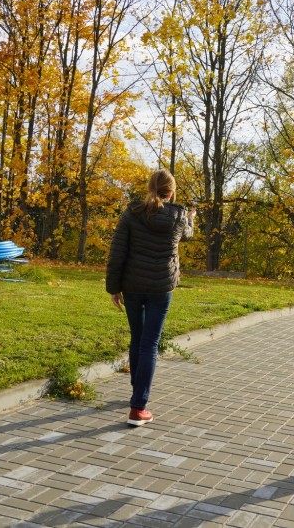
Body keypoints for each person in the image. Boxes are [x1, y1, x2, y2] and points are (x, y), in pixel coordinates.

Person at [106, 168, 195, 427]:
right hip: (161, 287)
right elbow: (188, 234)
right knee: (149, 343)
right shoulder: (179, 217)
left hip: (132, 285)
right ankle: (138, 407)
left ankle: (138, 390)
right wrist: (191, 219)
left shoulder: (131, 213)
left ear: (150, 188)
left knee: (138, 339)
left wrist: (113, 288)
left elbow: (117, 252)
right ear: (171, 191)